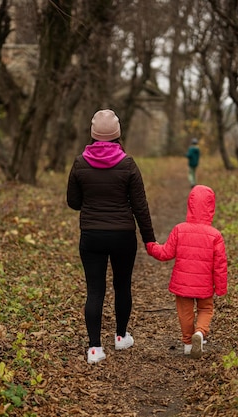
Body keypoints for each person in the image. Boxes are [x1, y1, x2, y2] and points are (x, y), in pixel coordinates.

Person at [67, 109, 156, 364]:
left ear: (93, 135)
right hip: (123, 237)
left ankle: (94, 349)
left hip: (92, 236)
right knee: (122, 285)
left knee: (95, 290)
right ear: (117, 135)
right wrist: (149, 239)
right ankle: (120, 337)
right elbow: (140, 206)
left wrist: (92, 199)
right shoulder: (127, 164)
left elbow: (73, 202)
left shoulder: (79, 163)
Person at [146, 185, 227, 359]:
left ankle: (188, 344)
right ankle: (200, 332)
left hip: (182, 284)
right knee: (205, 309)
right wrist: (220, 288)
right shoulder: (215, 235)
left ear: (189, 205)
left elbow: (166, 253)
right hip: (204, 284)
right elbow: (220, 265)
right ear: (211, 207)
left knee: (185, 312)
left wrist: (152, 247)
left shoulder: (179, 229)